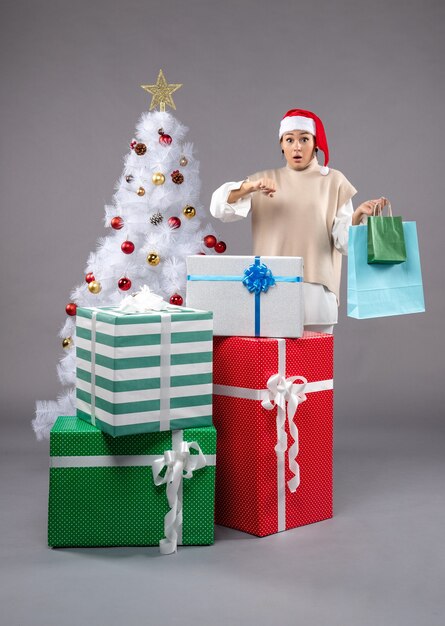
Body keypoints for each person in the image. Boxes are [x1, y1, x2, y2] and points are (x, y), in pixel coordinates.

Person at [210, 108, 386, 333]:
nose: (297, 146)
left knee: (313, 365)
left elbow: (344, 243)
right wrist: (249, 187)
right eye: (289, 139)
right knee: (272, 365)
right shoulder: (263, 181)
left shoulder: (334, 181)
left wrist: (358, 215)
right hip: (271, 287)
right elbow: (219, 208)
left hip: (317, 291)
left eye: (304, 139)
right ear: (281, 144)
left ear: (315, 144)